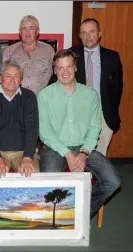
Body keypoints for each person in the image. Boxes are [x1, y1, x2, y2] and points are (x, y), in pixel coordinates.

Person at [37, 49, 121, 219]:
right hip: (55, 147)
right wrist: (67, 154)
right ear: (54, 70)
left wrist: (83, 153)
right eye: (60, 68)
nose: (65, 72)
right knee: (50, 182)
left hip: (84, 147)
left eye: (69, 66)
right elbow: (44, 131)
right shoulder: (44, 95)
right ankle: (59, 216)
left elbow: (94, 127)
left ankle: (79, 214)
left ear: (75, 67)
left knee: (113, 181)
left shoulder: (90, 95)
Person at [70, 18, 123, 156]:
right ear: (80, 36)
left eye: (92, 31)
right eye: (83, 33)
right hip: (78, 113)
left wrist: (109, 107)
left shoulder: (112, 57)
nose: (88, 36)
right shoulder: (71, 55)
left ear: (99, 33)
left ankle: (98, 178)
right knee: (80, 154)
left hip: (103, 114)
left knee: (99, 155)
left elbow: (117, 88)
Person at [0, 60, 39, 178]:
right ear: (0, 78)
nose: (12, 80)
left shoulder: (29, 97)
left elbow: (32, 128)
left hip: (23, 152)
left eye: (16, 76)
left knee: (33, 177)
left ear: (21, 80)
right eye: (8, 76)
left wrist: (28, 157)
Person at [3, 15, 55, 95]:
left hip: (42, 100)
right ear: (20, 32)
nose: (27, 32)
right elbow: (3, 77)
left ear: (37, 31)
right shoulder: (10, 51)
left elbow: (55, 76)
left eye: (31, 28)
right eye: (24, 28)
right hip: (17, 99)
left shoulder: (49, 50)